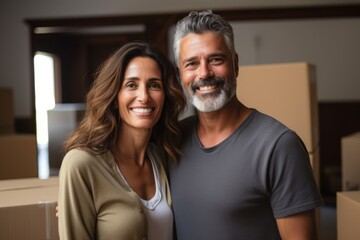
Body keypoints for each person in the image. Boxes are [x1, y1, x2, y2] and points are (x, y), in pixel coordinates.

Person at [168, 10, 324, 240]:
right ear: (180, 74)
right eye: (191, 63)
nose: (204, 73)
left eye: (216, 59)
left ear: (236, 64)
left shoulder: (279, 145)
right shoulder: (172, 140)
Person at [57, 42, 186, 240]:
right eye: (131, 85)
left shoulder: (163, 157)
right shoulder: (81, 164)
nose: (143, 97)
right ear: (114, 97)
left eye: (154, 85)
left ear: (165, 96)